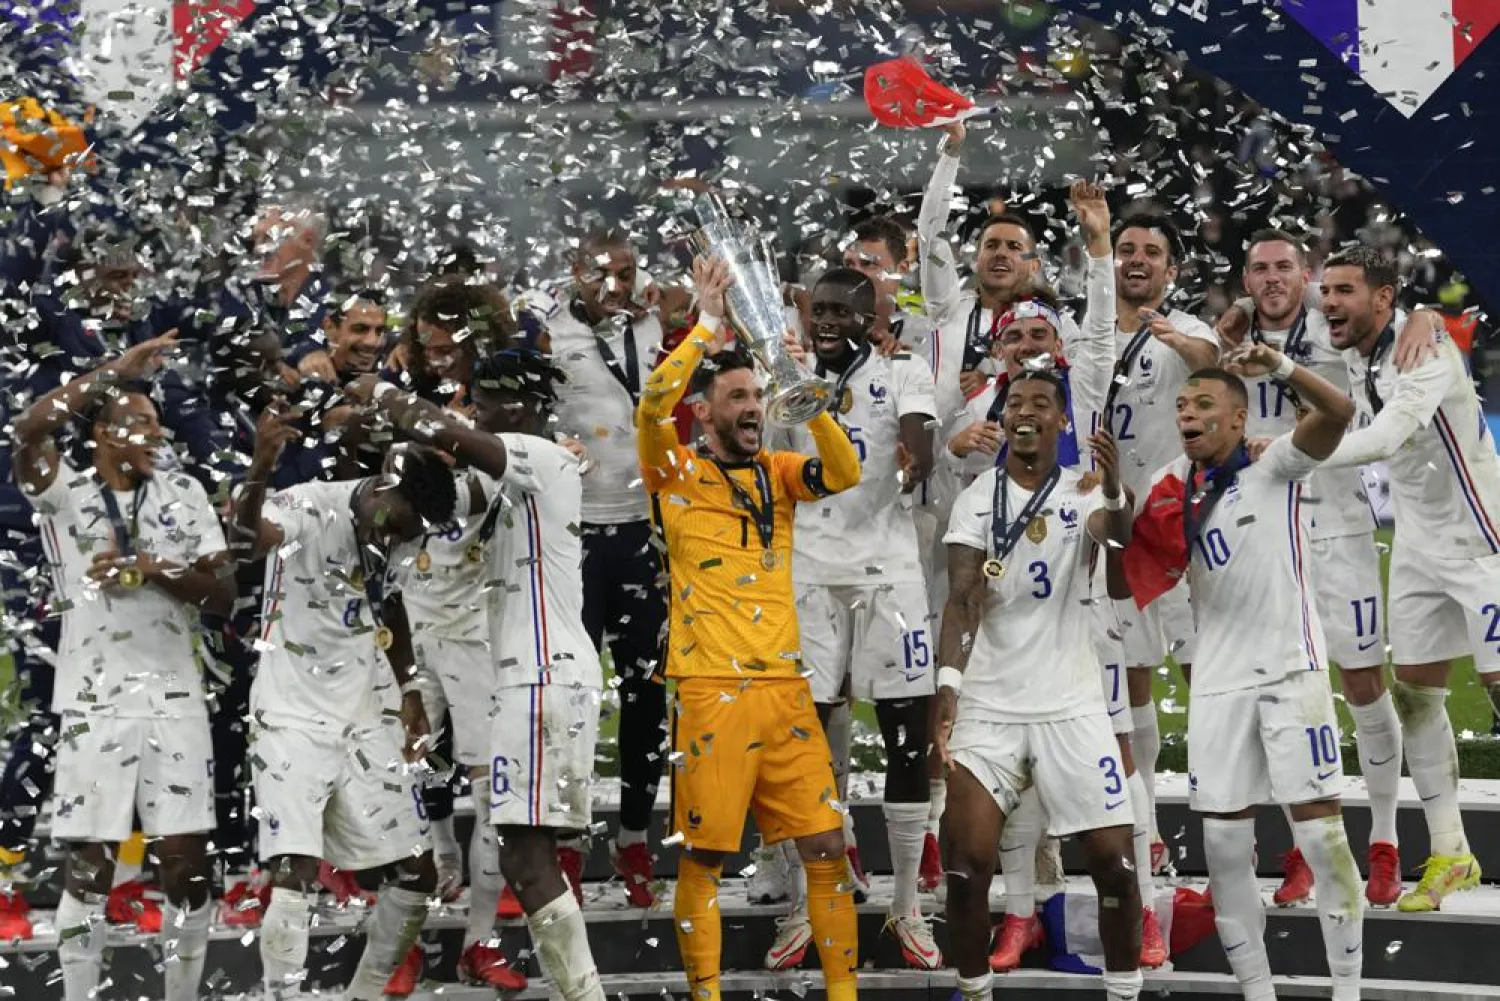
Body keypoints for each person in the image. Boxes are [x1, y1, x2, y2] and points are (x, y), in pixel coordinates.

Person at [943, 182, 1165, 970]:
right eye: (1017, 340)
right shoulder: (980, 418)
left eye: (1044, 336)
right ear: (998, 354)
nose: (1031, 347)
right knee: (1014, 787)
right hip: (1007, 628)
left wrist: (1100, 246)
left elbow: (1100, 333)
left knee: (1112, 761)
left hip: (1086, 619)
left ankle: (1135, 905)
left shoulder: (1082, 399)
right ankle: (1021, 910)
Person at [638, 255, 862, 1001]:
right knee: (703, 857)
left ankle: (844, 994)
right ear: (703, 411)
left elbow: (847, 470)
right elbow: (649, 409)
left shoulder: (778, 471)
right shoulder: (673, 473)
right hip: (711, 692)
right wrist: (704, 328)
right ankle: (705, 993)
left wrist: (803, 393)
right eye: (737, 396)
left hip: (784, 690)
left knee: (827, 847)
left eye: (757, 396)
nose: (751, 406)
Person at [354, 349, 605, 1001]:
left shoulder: (541, 457)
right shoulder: (509, 478)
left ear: (516, 405)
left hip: (544, 679)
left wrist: (381, 391)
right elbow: (428, 501)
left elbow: (452, 435)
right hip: (531, 680)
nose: (475, 410)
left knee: (529, 857)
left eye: (485, 400)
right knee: (526, 858)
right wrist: (390, 469)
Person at [1122, 350, 1364, 1001]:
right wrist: (1111, 495)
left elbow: (1339, 412)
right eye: (1181, 407)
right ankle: (1258, 994)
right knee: (1226, 851)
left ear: (1237, 416)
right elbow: (1130, 563)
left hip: (1292, 671)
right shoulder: (1172, 484)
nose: (1188, 415)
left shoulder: (1273, 461)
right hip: (1218, 686)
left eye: (1203, 406)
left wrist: (1280, 366)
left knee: (1321, 835)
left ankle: (1348, 990)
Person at [11, 332, 233, 1001]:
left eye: (157, 424)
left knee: (186, 866)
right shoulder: (64, 492)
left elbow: (222, 596)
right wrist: (115, 370)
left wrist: (154, 569)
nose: (152, 434)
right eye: (136, 422)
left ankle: (182, 993)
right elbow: (27, 427)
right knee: (88, 864)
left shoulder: (185, 492)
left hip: (174, 696)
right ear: (102, 433)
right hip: (93, 700)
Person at [1215, 231, 1414, 907]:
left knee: (1361, 683)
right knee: (1289, 692)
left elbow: (1394, 321)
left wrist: (1427, 319)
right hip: (1268, 538)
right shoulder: (1229, 339)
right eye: (1259, 269)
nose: (1272, 278)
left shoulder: (1336, 328)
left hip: (1339, 527)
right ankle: (1304, 848)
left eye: (1284, 268)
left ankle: (1384, 840)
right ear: (1245, 278)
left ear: (1307, 275)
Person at [231, 409, 457, 1001]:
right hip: (292, 713)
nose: (405, 539)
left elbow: (392, 608)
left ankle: (364, 994)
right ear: (387, 489)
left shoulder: (404, 529)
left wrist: (409, 690)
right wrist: (259, 466)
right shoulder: (310, 505)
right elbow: (246, 543)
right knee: (294, 871)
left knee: (418, 871)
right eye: (404, 524)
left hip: (366, 714)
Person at [935, 369, 1140, 1001]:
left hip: (1072, 703)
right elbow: (962, 599)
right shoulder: (976, 498)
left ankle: (1125, 991)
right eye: (1015, 402)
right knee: (966, 875)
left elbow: (1120, 539)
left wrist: (1112, 489)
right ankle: (973, 993)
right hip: (991, 703)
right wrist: (948, 689)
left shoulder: (1082, 493)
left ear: (1060, 422)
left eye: (1040, 403)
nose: (1025, 411)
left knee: (1116, 868)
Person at [765, 266, 940, 971]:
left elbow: (919, 448)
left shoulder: (904, 371)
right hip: (808, 571)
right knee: (810, 748)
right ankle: (813, 897)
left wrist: (901, 473)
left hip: (889, 573)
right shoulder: (786, 372)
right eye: (819, 308)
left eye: (842, 309)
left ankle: (906, 901)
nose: (827, 320)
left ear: (870, 318)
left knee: (906, 739)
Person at [1317, 245, 1497, 912]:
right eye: (1325, 289)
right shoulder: (1355, 343)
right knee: (1418, 699)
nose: (1328, 301)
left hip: (1485, 542)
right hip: (1419, 547)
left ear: (1383, 298)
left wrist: (1292, 454)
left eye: (1343, 290)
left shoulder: (1429, 352)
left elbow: (1388, 436)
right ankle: (1452, 851)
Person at [548, 228, 670, 906]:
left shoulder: (653, 321)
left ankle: (631, 836)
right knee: (571, 696)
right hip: (574, 536)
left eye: (626, 272)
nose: (616, 286)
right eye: (602, 273)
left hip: (642, 534)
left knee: (647, 694)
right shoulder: (547, 328)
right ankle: (568, 841)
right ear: (575, 271)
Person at [1106, 212, 1220, 870]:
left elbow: (1213, 368)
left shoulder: (1189, 332)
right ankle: (1145, 822)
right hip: (1118, 534)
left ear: (1172, 270)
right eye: (1127, 249)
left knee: (1204, 675)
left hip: (1182, 532)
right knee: (1134, 678)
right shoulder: (1086, 330)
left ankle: (1221, 809)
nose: (1138, 259)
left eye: (1152, 252)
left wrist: (1182, 344)